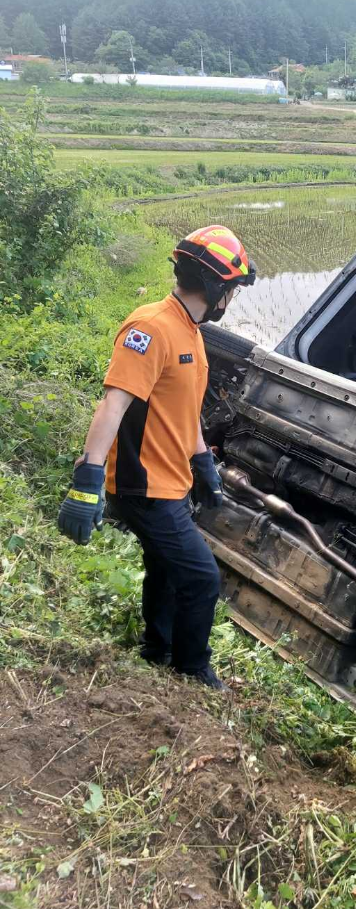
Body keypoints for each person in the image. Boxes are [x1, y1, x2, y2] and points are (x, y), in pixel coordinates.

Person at [58, 226, 256, 690]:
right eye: (232, 288)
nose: (231, 299)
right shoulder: (150, 328)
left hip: (169, 480)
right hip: (142, 486)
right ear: (216, 287)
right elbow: (113, 404)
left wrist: (203, 463)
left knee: (165, 570)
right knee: (202, 579)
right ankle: (192, 669)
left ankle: (157, 648)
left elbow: (181, 412)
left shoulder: (191, 332)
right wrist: (87, 479)